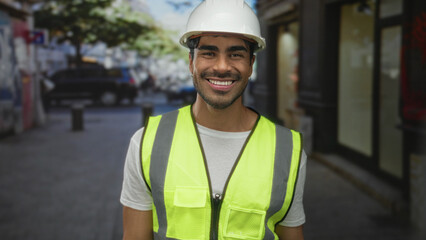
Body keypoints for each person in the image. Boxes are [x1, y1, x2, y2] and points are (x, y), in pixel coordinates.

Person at [120, 0, 307, 239]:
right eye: (209, 53)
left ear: (251, 64)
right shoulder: (147, 142)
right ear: (191, 63)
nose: (221, 66)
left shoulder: (289, 151)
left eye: (236, 54)